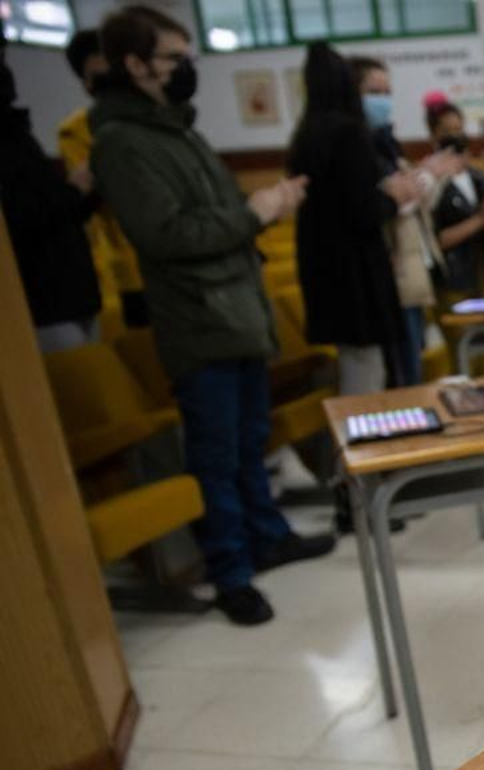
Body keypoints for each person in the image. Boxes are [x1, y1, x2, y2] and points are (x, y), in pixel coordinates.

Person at [90, 5, 334, 625]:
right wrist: (255, 212)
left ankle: (267, 535)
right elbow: (166, 232)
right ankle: (231, 572)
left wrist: (266, 206)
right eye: (175, 59)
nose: (186, 70)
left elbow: (217, 214)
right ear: (135, 63)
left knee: (250, 441)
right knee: (216, 454)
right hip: (199, 322)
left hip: (237, 311)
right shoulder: (123, 142)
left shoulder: (177, 129)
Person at [289, 42, 422, 396]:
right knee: (366, 375)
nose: (382, 100)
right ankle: (365, 444)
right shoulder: (349, 134)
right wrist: (393, 196)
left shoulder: (308, 133)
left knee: (359, 364)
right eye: (372, 91)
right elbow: (362, 209)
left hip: (330, 272)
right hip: (355, 277)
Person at [349, 55, 456, 387]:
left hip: (414, 267)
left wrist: (429, 179)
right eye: (373, 91)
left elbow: (414, 201)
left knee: (413, 366)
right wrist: (424, 177)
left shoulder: (387, 143)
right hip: (391, 275)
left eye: (387, 91)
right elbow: (391, 203)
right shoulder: (357, 148)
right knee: (402, 375)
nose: (383, 99)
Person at [1, 38, 102, 355]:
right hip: (44, 299)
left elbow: (58, 211)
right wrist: (72, 191)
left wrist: (84, 192)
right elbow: (22, 216)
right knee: (76, 390)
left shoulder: (14, 132)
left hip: (75, 289)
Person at [59, 28, 148, 330]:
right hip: (134, 269)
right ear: (86, 83)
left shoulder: (154, 115)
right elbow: (92, 192)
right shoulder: (76, 131)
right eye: (100, 76)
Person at [426, 95, 484, 303]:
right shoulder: (431, 182)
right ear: (433, 136)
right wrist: (480, 219)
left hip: (483, 272)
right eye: (447, 131)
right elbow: (435, 240)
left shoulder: (477, 176)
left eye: (458, 129)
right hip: (453, 280)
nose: (455, 136)